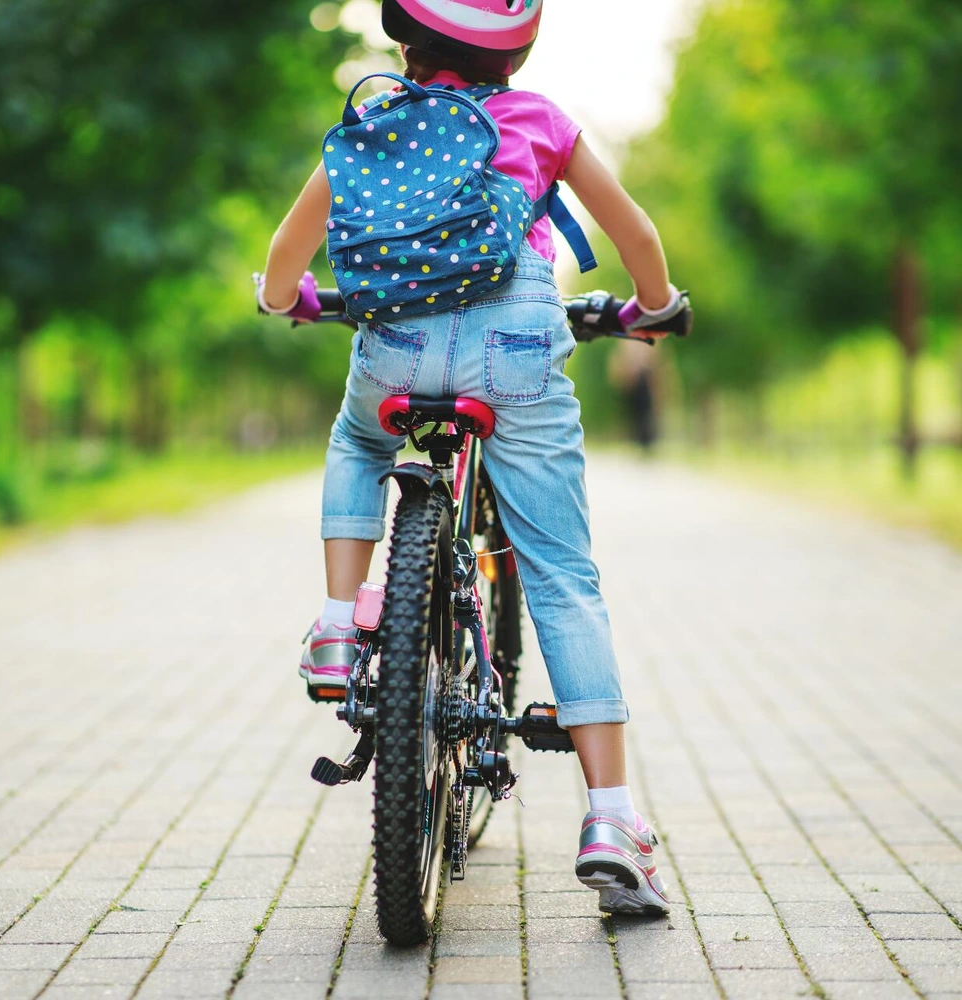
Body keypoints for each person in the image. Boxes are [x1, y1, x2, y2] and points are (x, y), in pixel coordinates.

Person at [257, 0, 686, 917]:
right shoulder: (539, 122)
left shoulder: (372, 121)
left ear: (403, 43)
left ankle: (338, 620)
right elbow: (636, 237)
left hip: (396, 351)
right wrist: (652, 304)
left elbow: (284, 256)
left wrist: (286, 297)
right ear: (518, 48)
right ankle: (611, 819)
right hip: (518, 351)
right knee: (563, 574)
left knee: (360, 436)